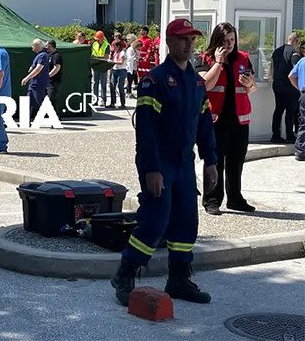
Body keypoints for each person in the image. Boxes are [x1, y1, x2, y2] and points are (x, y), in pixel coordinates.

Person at [111, 18, 218, 307]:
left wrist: (211, 160)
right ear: (169, 42)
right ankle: (125, 274)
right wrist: (151, 169)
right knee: (155, 221)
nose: (189, 44)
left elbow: (205, 125)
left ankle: (179, 279)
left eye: (192, 39)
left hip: (184, 164)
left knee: (186, 220)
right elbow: (146, 131)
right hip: (160, 163)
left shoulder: (196, 82)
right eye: (183, 39)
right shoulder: (154, 81)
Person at [197, 22, 257, 215]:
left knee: (236, 160)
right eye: (225, 40)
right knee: (214, 161)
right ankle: (212, 200)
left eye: (232, 39)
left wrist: (250, 84)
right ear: (217, 41)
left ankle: (235, 199)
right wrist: (218, 63)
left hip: (239, 119)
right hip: (216, 119)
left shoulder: (243, 58)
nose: (229, 44)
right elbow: (205, 85)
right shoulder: (205, 58)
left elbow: (252, 89)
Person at [270, 32, 301, 143]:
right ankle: (290, 135)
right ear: (296, 41)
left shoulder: (277, 51)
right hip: (290, 87)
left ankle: (275, 135)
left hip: (277, 85)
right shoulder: (294, 53)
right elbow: (296, 71)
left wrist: (274, 79)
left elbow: (271, 67)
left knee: (278, 110)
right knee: (290, 112)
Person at [21, 39, 50, 119]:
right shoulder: (39, 55)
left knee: (41, 102)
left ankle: (51, 119)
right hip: (33, 83)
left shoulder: (43, 55)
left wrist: (27, 78)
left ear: (37, 46)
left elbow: (38, 68)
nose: (32, 47)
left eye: (33, 45)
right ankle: (25, 121)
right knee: (28, 102)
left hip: (39, 84)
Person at [289, 55, 305, 161]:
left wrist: (299, 88)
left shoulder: (302, 60)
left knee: (303, 123)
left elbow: (291, 76)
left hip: (303, 94)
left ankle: (300, 151)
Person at [91, 31, 110, 107]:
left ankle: (103, 100)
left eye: (98, 39)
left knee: (103, 84)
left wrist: (96, 57)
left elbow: (106, 57)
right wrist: (97, 58)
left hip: (103, 67)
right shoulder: (94, 44)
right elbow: (91, 54)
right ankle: (95, 100)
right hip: (95, 66)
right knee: (95, 84)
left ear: (102, 38)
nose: (97, 40)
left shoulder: (106, 45)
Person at [108, 40, 127, 109]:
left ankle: (122, 103)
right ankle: (112, 103)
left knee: (120, 86)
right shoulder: (115, 53)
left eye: (114, 46)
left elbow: (121, 62)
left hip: (121, 71)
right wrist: (110, 56)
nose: (113, 48)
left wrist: (113, 62)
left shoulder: (122, 53)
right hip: (114, 70)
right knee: (112, 86)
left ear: (118, 46)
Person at [46, 40, 63, 108]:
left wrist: (48, 76)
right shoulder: (49, 55)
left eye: (47, 46)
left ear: (50, 46)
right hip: (48, 82)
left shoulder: (56, 56)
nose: (46, 47)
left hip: (54, 82)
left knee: (51, 99)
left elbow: (57, 67)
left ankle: (55, 113)